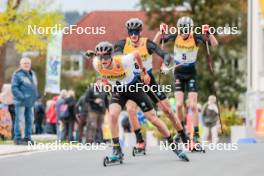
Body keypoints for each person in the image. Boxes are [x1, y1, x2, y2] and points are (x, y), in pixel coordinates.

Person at [90, 41, 189, 161]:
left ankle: (173, 144)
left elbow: (137, 54)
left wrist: (143, 71)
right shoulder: (97, 63)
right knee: (113, 115)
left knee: (152, 118)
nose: (103, 60)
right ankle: (117, 150)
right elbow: (102, 76)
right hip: (119, 91)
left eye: (105, 57)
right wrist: (102, 82)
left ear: (111, 56)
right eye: (100, 57)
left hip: (134, 88)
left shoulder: (122, 60)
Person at [114, 18, 189, 151]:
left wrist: (166, 62)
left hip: (148, 80)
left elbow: (164, 54)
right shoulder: (122, 43)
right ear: (128, 32)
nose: (133, 35)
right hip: (132, 81)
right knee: (131, 110)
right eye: (131, 32)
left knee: (167, 110)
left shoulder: (147, 43)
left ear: (140, 32)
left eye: (136, 32)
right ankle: (140, 141)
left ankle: (184, 137)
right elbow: (117, 54)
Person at [155, 16, 218, 145]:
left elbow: (215, 44)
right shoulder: (175, 35)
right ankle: (181, 131)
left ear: (190, 29)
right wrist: (160, 32)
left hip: (191, 74)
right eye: (182, 30)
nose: (184, 33)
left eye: (186, 30)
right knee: (178, 105)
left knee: (193, 105)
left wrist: (209, 33)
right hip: (178, 73)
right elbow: (155, 44)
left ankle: (195, 134)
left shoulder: (195, 37)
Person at [11, 57, 38, 145]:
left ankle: (27, 138)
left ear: (30, 65)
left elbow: (34, 87)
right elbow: (14, 88)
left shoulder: (33, 74)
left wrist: (36, 96)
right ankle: (17, 138)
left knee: (30, 120)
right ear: (20, 65)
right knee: (19, 120)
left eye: (28, 63)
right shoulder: (17, 74)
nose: (26, 65)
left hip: (30, 102)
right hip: (21, 102)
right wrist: (22, 97)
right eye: (24, 63)